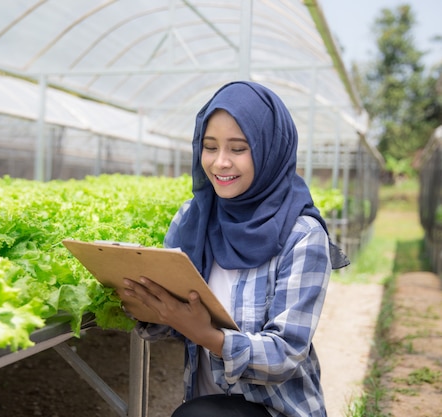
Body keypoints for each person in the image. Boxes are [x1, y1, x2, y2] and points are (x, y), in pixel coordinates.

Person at [120, 81, 349, 417]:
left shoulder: (302, 235)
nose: (220, 163)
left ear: (270, 149)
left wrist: (207, 335)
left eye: (238, 149)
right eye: (210, 147)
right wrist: (141, 299)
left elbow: (284, 355)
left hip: (277, 409)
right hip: (207, 404)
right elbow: (164, 324)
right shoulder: (193, 216)